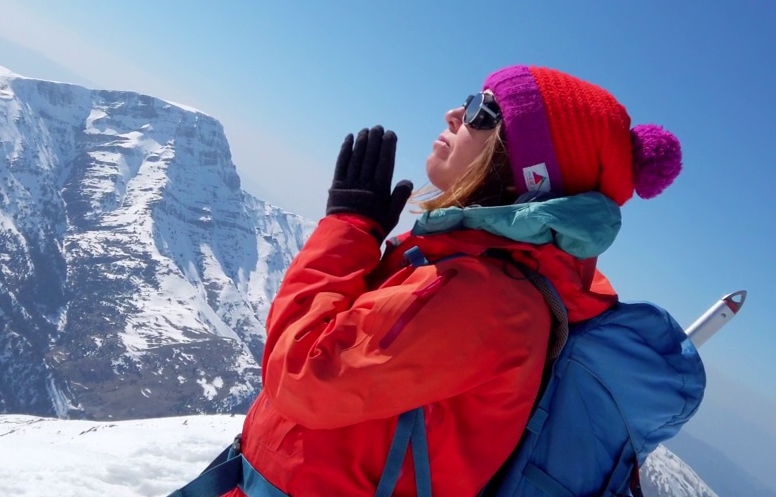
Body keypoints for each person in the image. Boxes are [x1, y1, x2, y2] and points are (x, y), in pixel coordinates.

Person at [229, 65, 683, 497]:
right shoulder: (465, 265)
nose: (454, 113)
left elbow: (302, 374)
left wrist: (347, 229)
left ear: (523, 170)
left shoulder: (488, 299)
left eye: (481, 111)